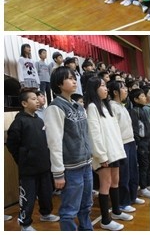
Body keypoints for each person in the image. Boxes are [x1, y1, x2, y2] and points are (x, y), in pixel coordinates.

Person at [44, 67, 93, 230]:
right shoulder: (55, 108)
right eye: (69, 78)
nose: (74, 81)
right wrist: (58, 173)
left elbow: (86, 135)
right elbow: (54, 142)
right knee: (69, 210)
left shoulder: (78, 106)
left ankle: (87, 229)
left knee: (86, 205)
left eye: (74, 78)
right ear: (59, 84)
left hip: (85, 164)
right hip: (71, 168)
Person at [6, 89, 59, 231]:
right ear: (24, 103)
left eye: (37, 98)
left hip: (44, 165)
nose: (37, 101)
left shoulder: (39, 120)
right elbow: (12, 144)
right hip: (28, 169)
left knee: (46, 193)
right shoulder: (19, 122)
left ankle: (46, 214)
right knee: (28, 197)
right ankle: (25, 224)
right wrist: (23, 158)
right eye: (33, 99)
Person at [84, 76, 132, 230]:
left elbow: (115, 131)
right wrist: (101, 155)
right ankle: (105, 220)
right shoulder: (92, 107)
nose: (106, 89)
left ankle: (116, 211)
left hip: (115, 151)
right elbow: (94, 134)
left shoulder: (106, 106)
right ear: (94, 89)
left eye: (105, 86)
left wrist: (120, 150)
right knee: (105, 184)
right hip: (104, 153)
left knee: (115, 181)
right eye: (102, 86)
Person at [108, 80, 144, 211]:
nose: (126, 90)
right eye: (122, 88)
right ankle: (123, 202)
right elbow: (113, 129)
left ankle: (133, 196)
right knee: (124, 174)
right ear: (115, 92)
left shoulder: (122, 106)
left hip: (130, 141)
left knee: (133, 171)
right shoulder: (111, 107)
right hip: (121, 143)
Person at [129, 88, 150, 199]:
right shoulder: (134, 111)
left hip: (147, 140)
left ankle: (147, 184)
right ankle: (142, 188)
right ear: (136, 99)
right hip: (142, 142)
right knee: (144, 165)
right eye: (142, 96)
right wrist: (138, 142)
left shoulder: (143, 109)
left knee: (148, 163)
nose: (145, 97)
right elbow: (135, 128)